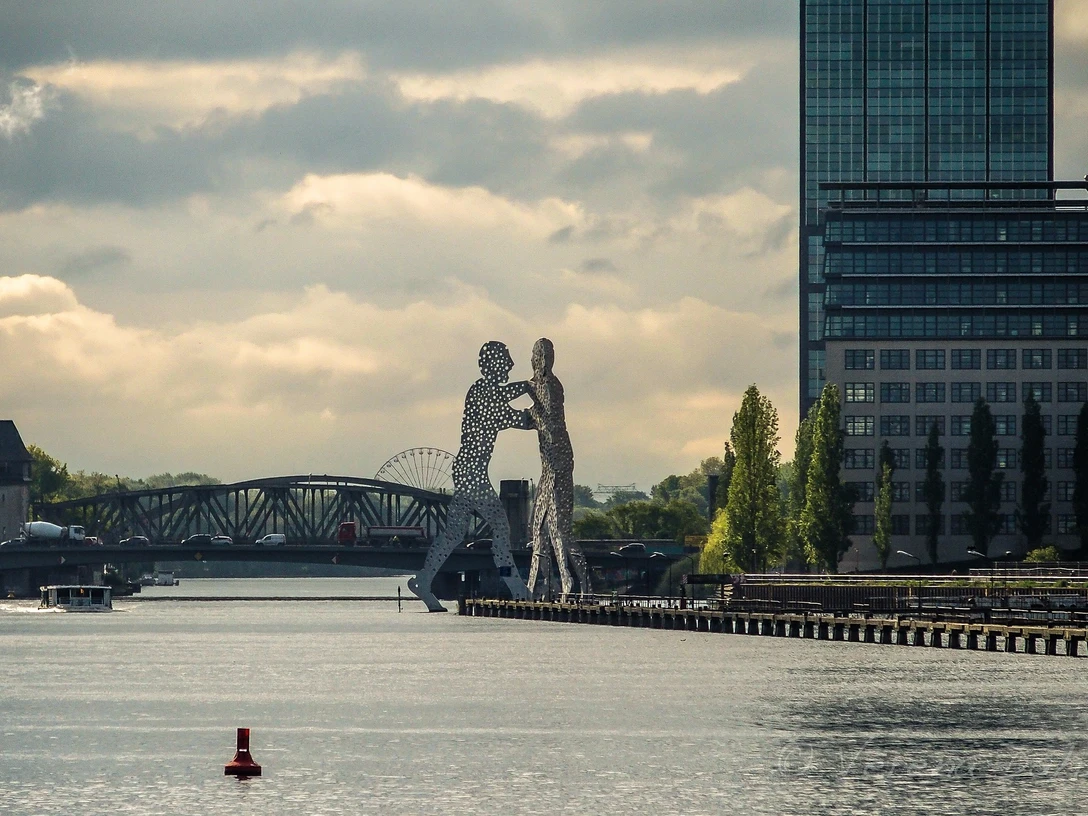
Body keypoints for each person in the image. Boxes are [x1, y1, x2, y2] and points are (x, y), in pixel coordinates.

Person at [408, 341, 533, 612]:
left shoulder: (487, 391)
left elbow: (505, 398)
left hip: (468, 471)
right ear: (492, 365)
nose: (510, 365)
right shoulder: (481, 391)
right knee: (501, 529)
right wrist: (531, 405)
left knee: (454, 533)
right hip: (471, 474)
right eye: (506, 360)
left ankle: (423, 580)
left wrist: (526, 387)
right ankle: (517, 589)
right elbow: (507, 416)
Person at [525, 338, 589, 599]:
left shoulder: (549, 385)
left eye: (535, 355)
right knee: (538, 529)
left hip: (559, 465)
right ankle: (537, 586)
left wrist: (527, 392)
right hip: (549, 468)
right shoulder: (540, 386)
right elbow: (532, 419)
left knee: (560, 530)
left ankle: (579, 584)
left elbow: (550, 424)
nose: (532, 360)